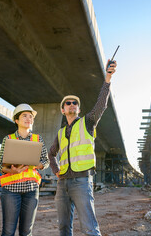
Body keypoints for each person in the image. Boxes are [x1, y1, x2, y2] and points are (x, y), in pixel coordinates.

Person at [49, 60, 117, 236]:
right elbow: (51, 154)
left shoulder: (87, 123)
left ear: (78, 109)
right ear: (63, 110)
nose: (72, 104)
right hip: (62, 183)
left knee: (89, 227)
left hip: (82, 182)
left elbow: (101, 105)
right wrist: (56, 170)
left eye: (75, 103)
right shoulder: (60, 133)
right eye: (68, 103)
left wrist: (107, 78)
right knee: (64, 227)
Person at [0, 103, 49, 236]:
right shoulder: (8, 139)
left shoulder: (38, 139)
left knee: (26, 232)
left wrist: (39, 164)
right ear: (16, 120)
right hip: (11, 191)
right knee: (8, 231)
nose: (28, 119)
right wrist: (11, 170)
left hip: (31, 191)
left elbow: (46, 161)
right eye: (24, 116)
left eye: (31, 117)